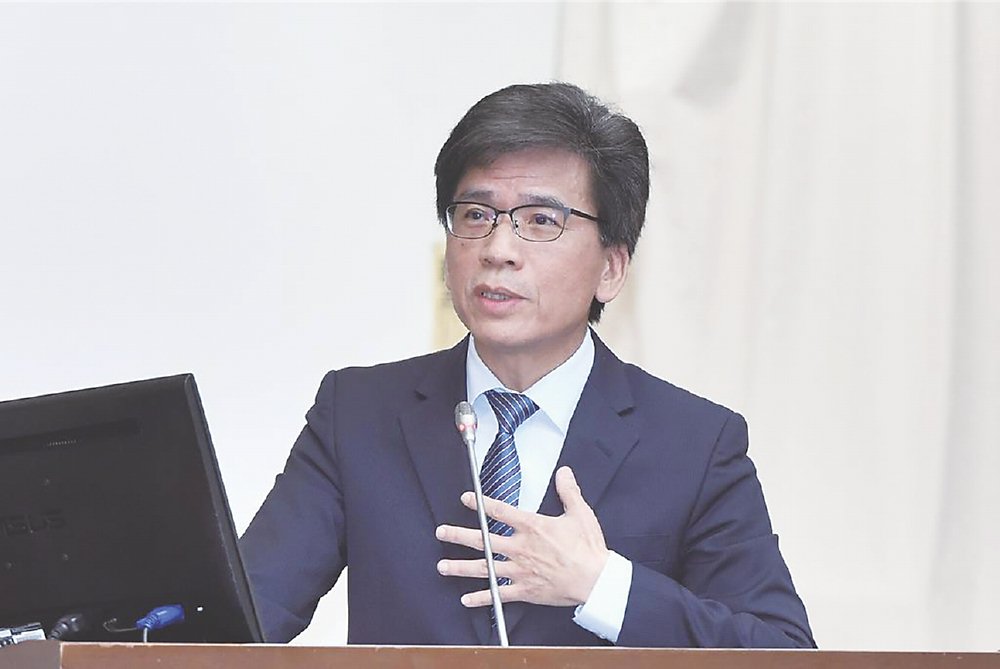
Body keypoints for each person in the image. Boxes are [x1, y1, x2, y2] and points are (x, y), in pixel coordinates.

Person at [240, 82, 815, 648]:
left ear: (611, 268)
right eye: (476, 215)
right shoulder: (357, 415)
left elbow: (782, 653)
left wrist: (602, 587)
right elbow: (238, 625)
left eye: (541, 221)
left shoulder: (695, 443)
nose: (498, 249)